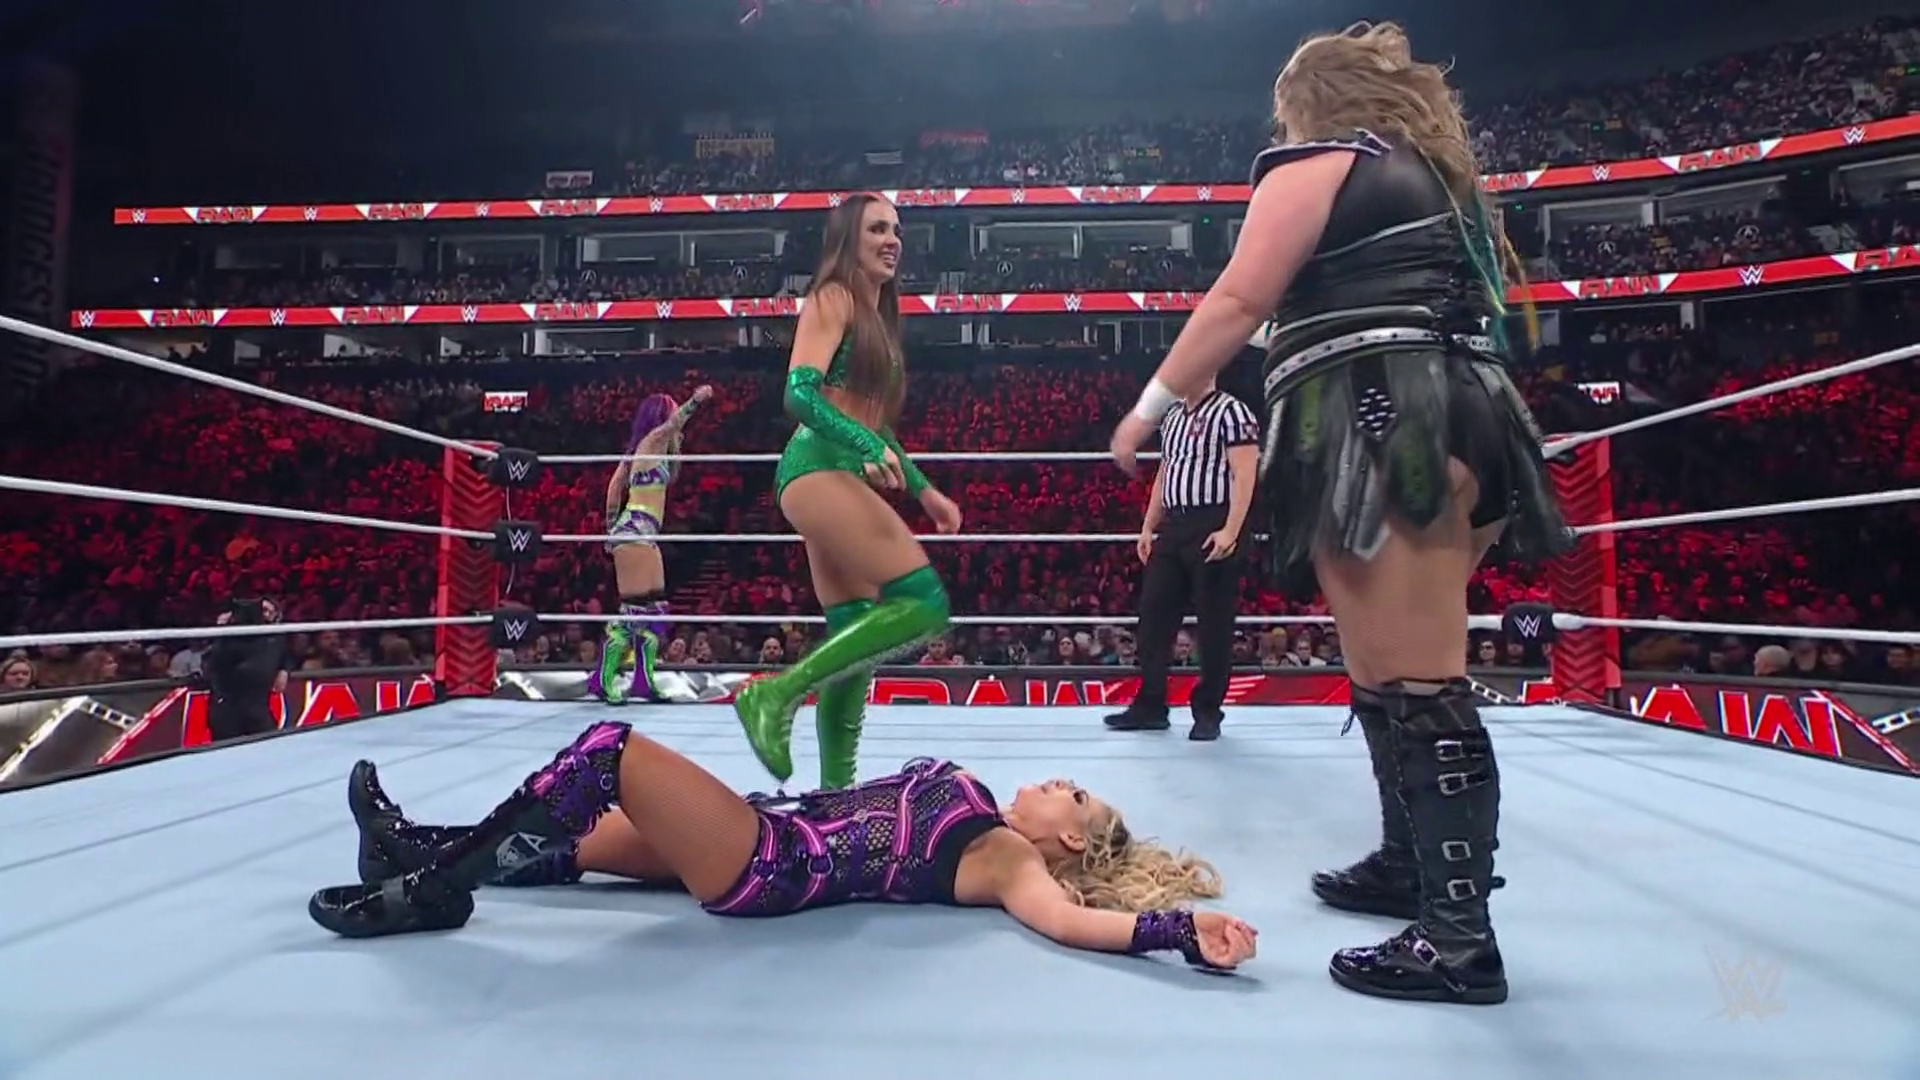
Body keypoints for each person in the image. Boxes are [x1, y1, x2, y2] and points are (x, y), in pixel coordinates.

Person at [1107, 22, 1573, 1006]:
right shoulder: (1438, 180)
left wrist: (1148, 408)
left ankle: (1459, 944)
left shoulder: (1325, 161)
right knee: (1383, 667)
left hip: (1384, 420)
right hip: (1459, 417)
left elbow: (1238, 299)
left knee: (1420, 678)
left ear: (1308, 101)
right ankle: (1409, 866)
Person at [306, 719, 1259, 974]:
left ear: (1068, 839)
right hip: (770, 821)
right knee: (582, 843)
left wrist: (1177, 932)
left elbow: (1063, 922)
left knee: (608, 752)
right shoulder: (991, 815)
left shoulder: (1006, 857)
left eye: (1075, 795)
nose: (1058, 782)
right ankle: (405, 850)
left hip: (772, 861)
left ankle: (436, 891)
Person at [732, 193, 964, 790]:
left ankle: (837, 794)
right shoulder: (833, 297)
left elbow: (875, 424)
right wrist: (863, 444)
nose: (893, 240)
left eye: (897, 230)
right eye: (877, 229)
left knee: (855, 633)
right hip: (816, 467)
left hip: (834, 472)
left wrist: (924, 491)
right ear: (848, 241)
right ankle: (776, 694)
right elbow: (799, 394)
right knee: (924, 602)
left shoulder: (876, 318)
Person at [1104, 376, 1259, 741]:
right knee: (1153, 615)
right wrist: (1148, 526)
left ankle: (1208, 711)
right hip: (1175, 525)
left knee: (1214, 623)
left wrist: (1231, 530)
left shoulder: (1233, 412)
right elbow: (1166, 472)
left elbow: (1245, 472)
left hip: (1214, 520)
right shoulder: (1173, 416)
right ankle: (1151, 705)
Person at [589, 384, 713, 704]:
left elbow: (614, 487)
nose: (674, 417)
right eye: (670, 410)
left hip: (641, 532)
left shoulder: (639, 451)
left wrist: (610, 529)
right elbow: (673, 425)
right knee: (634, 610)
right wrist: (695, 401)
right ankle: (602, 679)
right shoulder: (652, 441)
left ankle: (644, 682)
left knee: (655, 610)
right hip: (635, 530)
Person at [203, 596, 288, 742]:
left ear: (276, 615)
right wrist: (222, 631)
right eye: (261, 610)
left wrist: (284, 669)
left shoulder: (276, 638)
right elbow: (213, 664)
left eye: (268, 611)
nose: (264, 615)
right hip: (228, 708)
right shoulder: (229, 638)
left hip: (258, 707)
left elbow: (286, 655)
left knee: (271, 745)